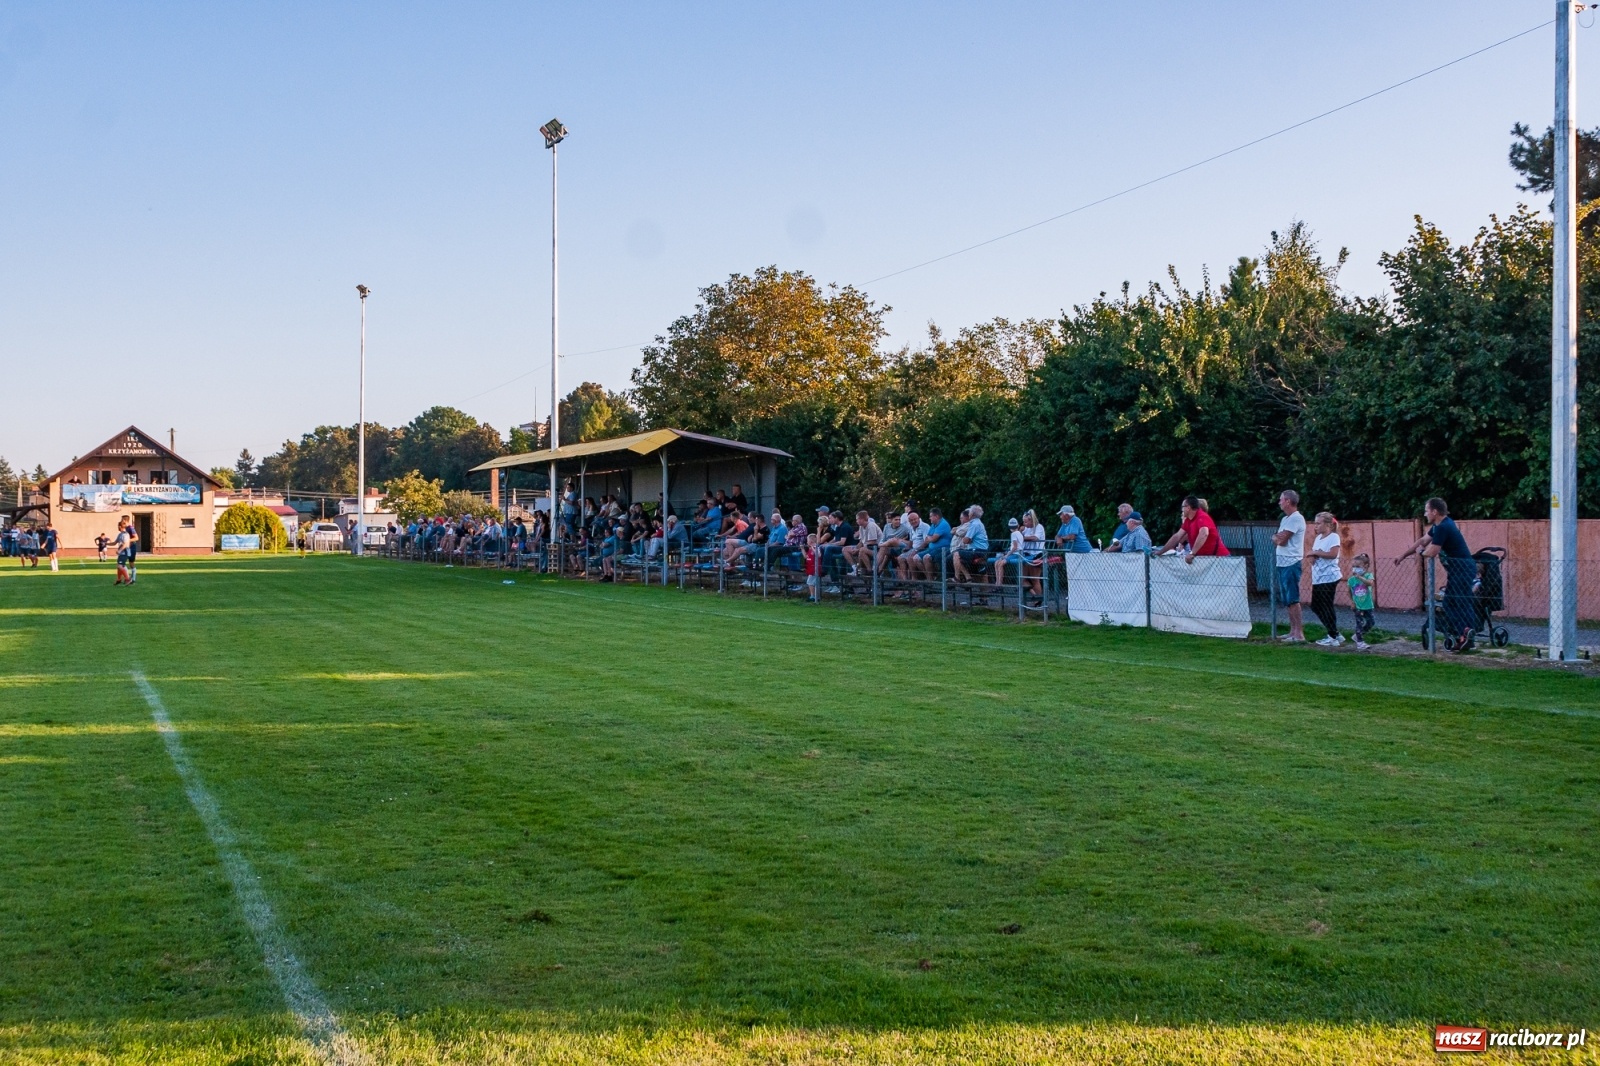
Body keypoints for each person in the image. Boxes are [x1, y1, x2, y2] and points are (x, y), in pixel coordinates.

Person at [1394, 497, 1475, 651]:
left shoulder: (1444, 526)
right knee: (1451, 602)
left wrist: (1421, 553)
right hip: (1456, 569)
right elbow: (1423, 541)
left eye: (1427, 511)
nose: (1425, 514)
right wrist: (1403, 555)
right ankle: (1464, 633)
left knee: (1460, 601)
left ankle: (1466, 633)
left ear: (1435, 512)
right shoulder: (1439, 526)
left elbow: (1432, 551)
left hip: (1463, 568)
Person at [1271, 490, 1306, 642]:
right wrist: (1276, 537)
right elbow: (1279, 538)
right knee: (1287, 599)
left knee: (1293, 598)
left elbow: (1281, 540)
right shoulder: (1285, 519)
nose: (1279, 502)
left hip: (1291, 562)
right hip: (1282, 562)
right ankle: (1292, 631)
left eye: (1281, 499)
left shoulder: (1296, 519)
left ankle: (1299, 634)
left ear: (1288, 501)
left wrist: (1275, 537)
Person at [1308, 511, 1344, 646]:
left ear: (1328, 524)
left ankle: (1332, 636)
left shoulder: (1333, 537)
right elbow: (1314, 555)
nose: (1316, 526)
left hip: (1329, 576)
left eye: (1319, 523)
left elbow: (1333, 554)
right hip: (1318, 577)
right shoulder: (1318, 538)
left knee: (1326, 605)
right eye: (1315, 523)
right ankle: (1334, 632)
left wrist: (1316, 552)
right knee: (1316, 606)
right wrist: (1313, 556)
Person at [1348, 553, 1377, 650]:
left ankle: (1357, 635)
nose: (1355, 569)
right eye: (1354, 567)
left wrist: (1360, 577)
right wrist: (1352, 602)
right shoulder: (1351, 580)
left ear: (1366, 566)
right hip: (1358, 606)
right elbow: (1349, 591)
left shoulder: (1369, 575)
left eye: (1358, 567)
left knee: (1371, 622)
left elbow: (1370, 583)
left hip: (1368, 604)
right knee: (1359, 623)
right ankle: (1360, 642)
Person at [953, 505, 989, 581]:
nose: (968, 513)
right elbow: (968, 540)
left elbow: (966, 540)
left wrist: (965, 538)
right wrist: (968, 539)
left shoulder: (974, 524)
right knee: (958, 559)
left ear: (972, 514)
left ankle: (957, 578)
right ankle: (968, 578)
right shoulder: (978, 523)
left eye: (969, 512)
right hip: (981, 550)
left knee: (956, 554)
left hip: (977, 551)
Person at [113, 517, 132, 585]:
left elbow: (126, 544)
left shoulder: (125, 534)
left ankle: (128, 579)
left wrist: (119, 550)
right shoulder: (120, 534)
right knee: (119, 566)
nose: (118, 527)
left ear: (121, 526)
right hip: (121, 553)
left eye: (118, 526)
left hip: (125, 552)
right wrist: (106, 543)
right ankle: (119, 579)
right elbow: (115, 542)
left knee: (120, 566)